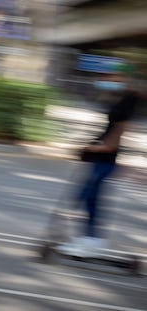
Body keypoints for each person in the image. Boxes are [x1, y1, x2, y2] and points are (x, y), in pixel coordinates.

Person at [58, 64, 138, 257]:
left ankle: (92, 241)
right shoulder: (117, 99)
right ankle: (89, 239)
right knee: (88, 196)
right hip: (101, 157)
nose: (108, 80)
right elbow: (108, 129)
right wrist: (90, 143)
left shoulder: (128, 100)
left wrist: (95, 147)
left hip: (107, 159)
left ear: (123, 78)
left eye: (112, 77)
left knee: (90, 196)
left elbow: (117, 135)